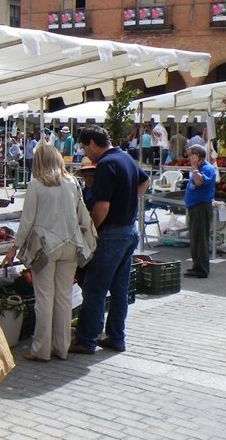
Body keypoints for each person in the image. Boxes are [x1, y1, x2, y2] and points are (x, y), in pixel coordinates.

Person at [3, 145, 95, 362]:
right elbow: (82, 214)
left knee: (44, 299)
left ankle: (41, 350)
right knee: (63, 298)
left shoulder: (36, 184)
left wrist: (14, 247)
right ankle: (62, 348)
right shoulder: (72, 182)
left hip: (45, 248)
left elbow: (27, 221)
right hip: (72, 244)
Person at [70, 127, 150, 356]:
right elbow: (145, 182)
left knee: (95, 288)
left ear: (93, 143)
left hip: (112, 235)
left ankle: (86, 339)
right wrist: (128, 201)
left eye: (85, 147)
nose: (86, 153)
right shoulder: (126, 157)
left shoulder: (106, 164)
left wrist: (91, 231)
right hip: (129, 232)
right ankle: (116, 337)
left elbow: (102, 206)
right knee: (119, 290)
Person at [183, 145, 216, 278]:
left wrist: (195, 168)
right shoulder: (198, 169)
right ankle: (197, 266)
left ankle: (202, 269)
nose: (189, 157)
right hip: (195, 207)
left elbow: (199, 182)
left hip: (201, 207)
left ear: (197, 155)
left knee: (200, 239)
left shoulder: (207, 169)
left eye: (191, 155)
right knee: (195, 238)